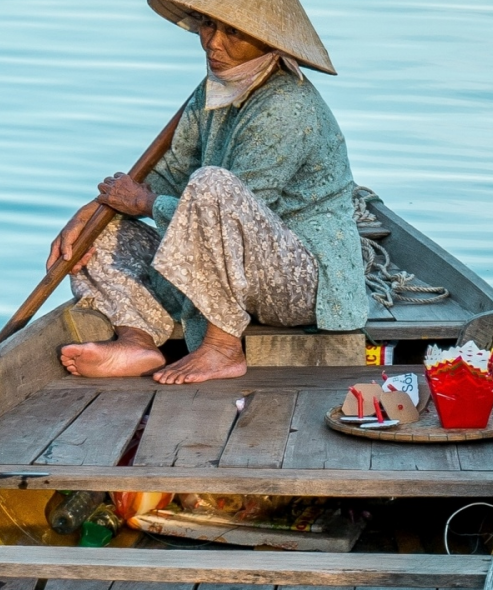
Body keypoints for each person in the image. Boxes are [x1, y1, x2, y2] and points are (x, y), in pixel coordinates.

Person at [54, 0, 366, 384]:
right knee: (100, 234)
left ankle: (222, 348)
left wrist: (145, 203)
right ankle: (137, 339)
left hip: (302, 284)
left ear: (268, 41)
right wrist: (93, 211)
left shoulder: (288, 106)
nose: (212, 43)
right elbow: (170, 174)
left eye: (232, 32)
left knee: (211, 184)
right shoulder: (214, 89)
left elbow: (227, 209)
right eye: (207, 25)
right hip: (235, 271)